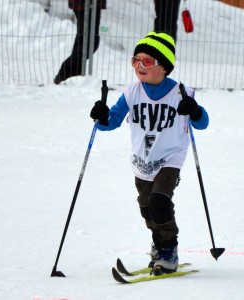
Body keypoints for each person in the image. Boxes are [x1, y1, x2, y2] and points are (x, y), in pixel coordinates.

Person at [90, 32, 209, 275]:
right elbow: (110, 122)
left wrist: (194, 110)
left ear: (164, 67)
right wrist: (101, 115)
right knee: (146, 208)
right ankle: (159, 243)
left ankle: (169, 249)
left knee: (159, 201)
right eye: (135, 60)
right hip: (142, 160)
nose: (138, 66)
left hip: (170, 157)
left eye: (146, 62)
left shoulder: (181, 93)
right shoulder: (132, 92)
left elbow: (202, 122)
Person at [54, 0, 106, 84]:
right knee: (92, 41)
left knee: (83, 38)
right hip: (85, 3)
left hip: (90, 3)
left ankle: (73, 75)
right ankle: (66, 70)